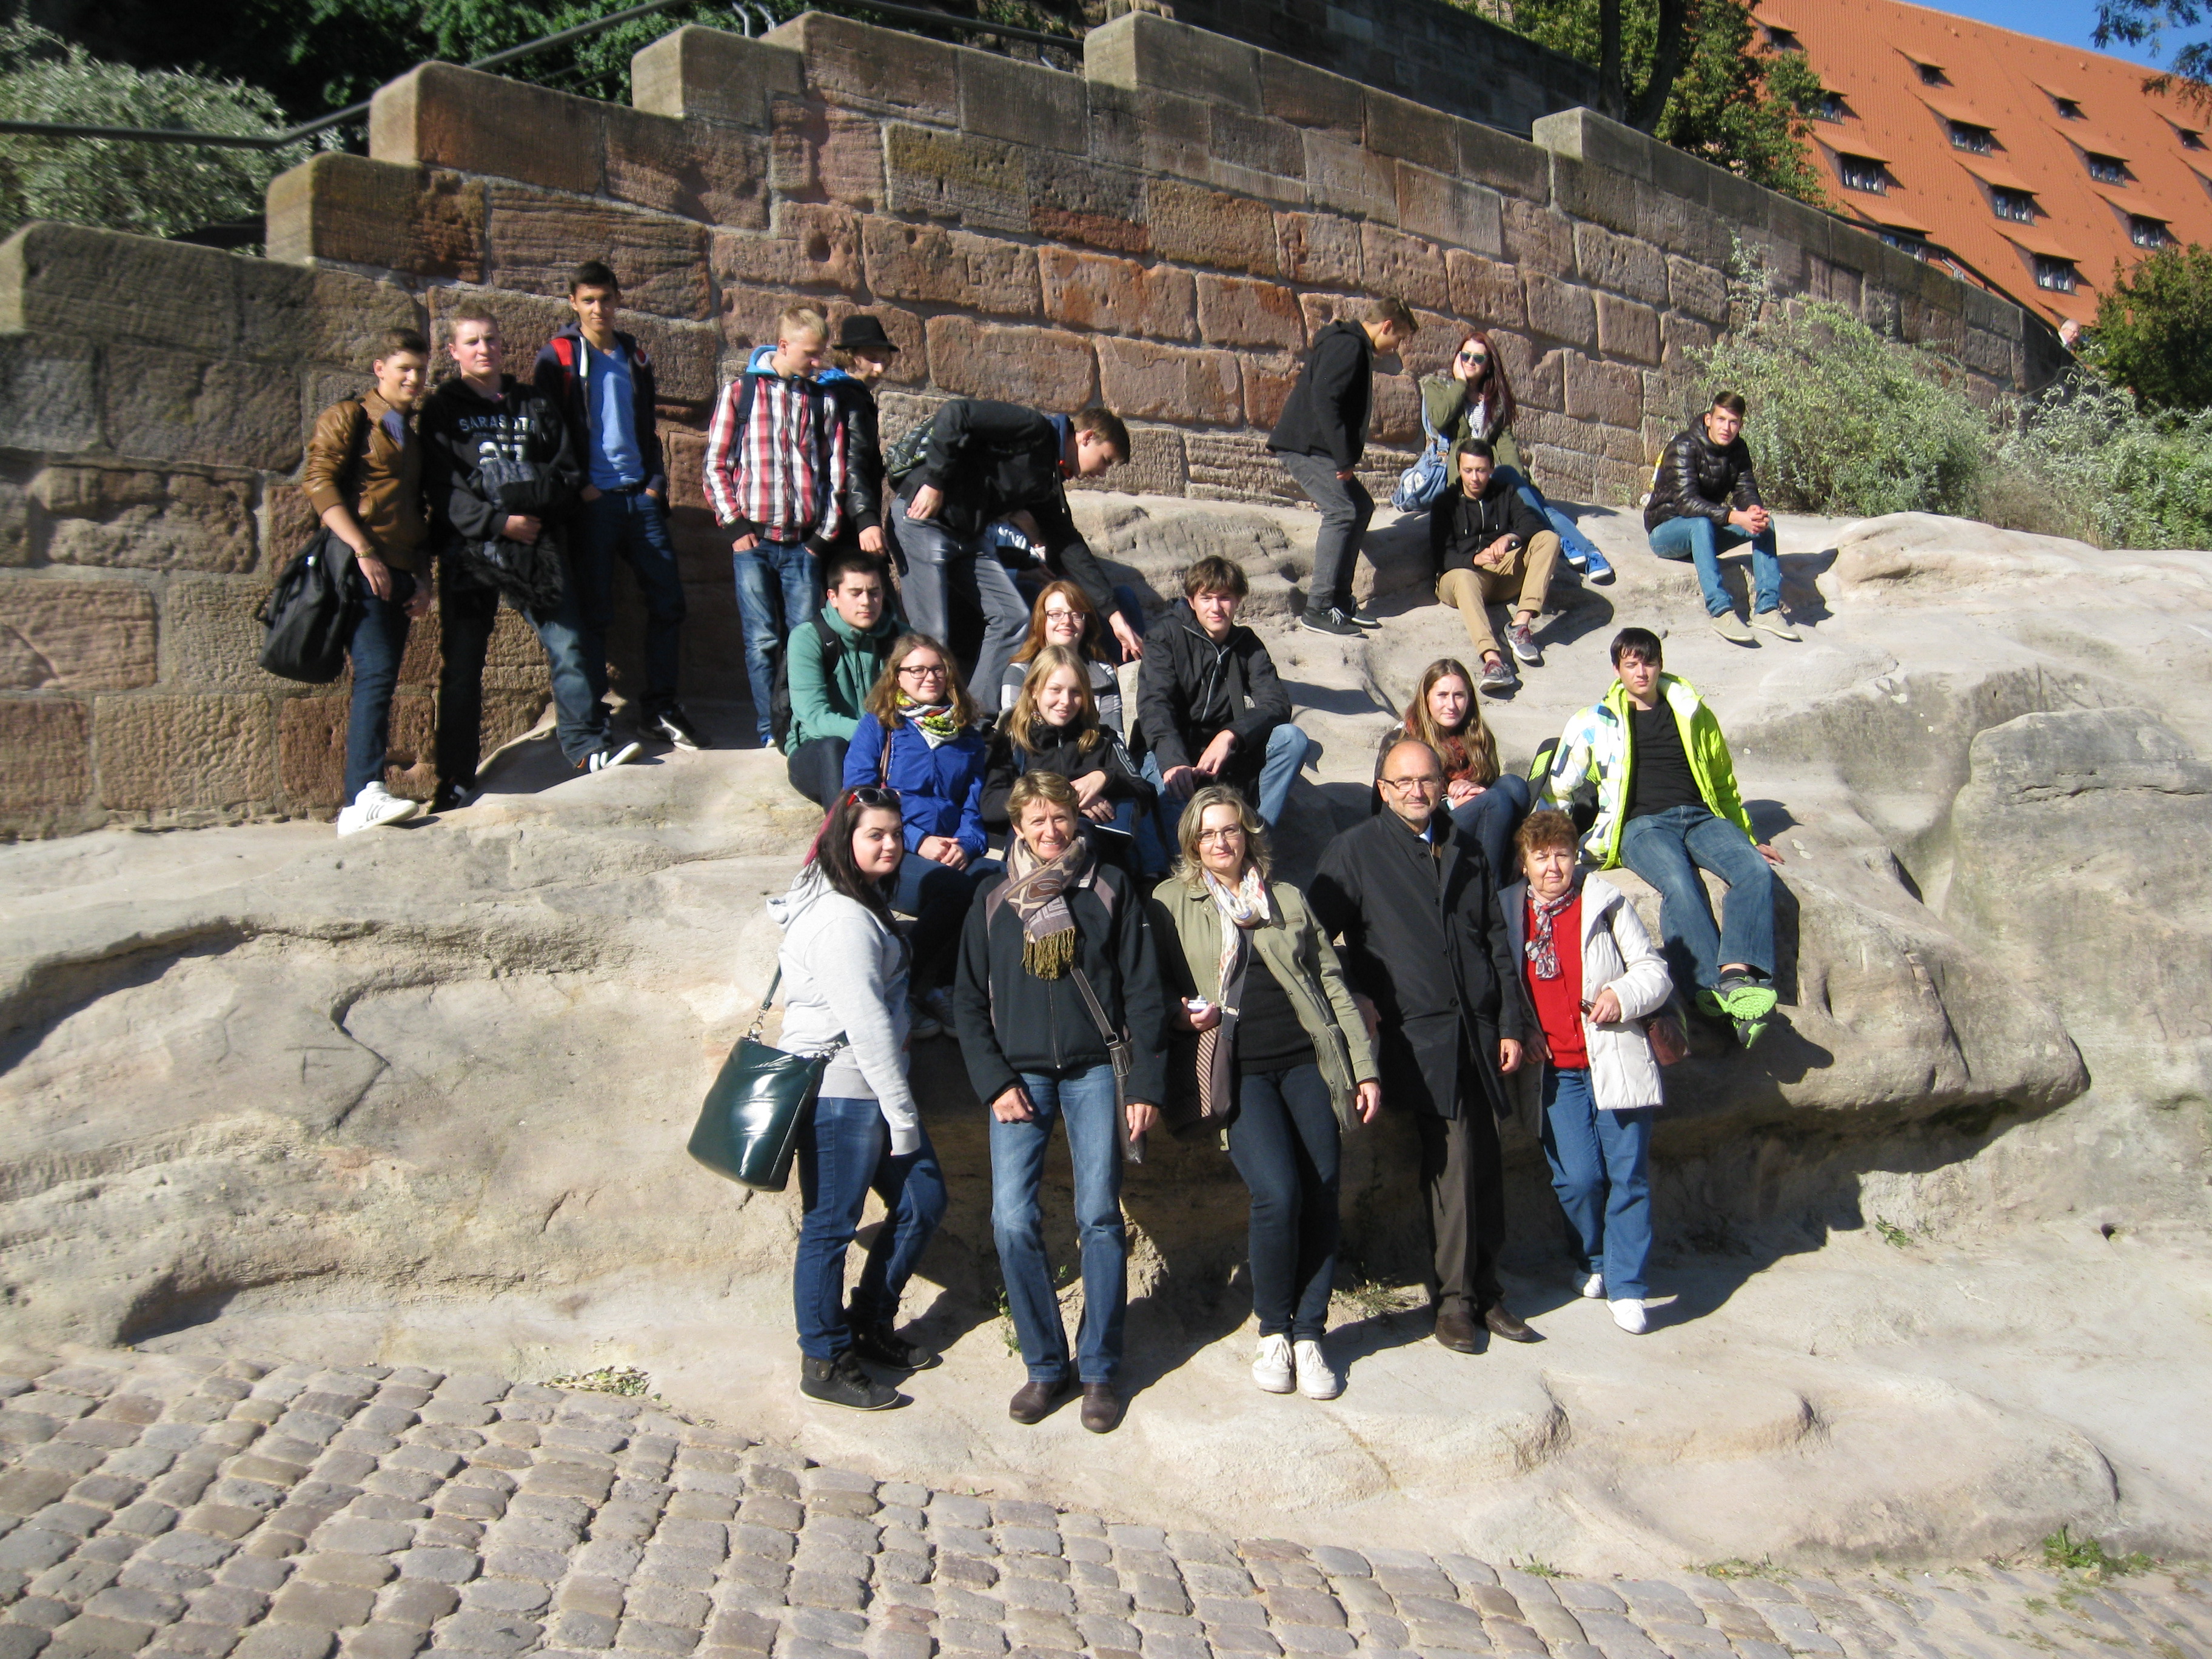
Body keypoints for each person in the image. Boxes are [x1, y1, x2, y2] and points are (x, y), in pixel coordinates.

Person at [951, 771, 1165, 1435]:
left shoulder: (1109, 886)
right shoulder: (991, 898)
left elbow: (1144, 993)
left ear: (1078, 820)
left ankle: (1099, 1367)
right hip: (1018, 1077)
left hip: (1095, 1070)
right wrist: (993, 1081)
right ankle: (1046, 1365)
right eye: (1037, 820)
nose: (1051, 831)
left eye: (1061, 818)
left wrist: (1146, 1084)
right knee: (1012, 1219)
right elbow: (968, 1000)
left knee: (1099, 1216)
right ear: (1018, 827)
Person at [1150, 787, 1381, 1400]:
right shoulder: (1171, 902)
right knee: (1278, 1193)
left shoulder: (1287, 899)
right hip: (1239, 1070)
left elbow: (1331, 984)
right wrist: (1179, 1015)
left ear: (1248, 834)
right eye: (1207, 834)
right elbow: (1155, 987)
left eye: (1230, 830)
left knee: (1323, 1190)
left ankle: (1310, 1333)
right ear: (1192, 844)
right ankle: (1274, 1329)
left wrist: (1364, 1069)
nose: (1220, 842)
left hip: (1307, 1061)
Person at [1308, 738, 1534, 1354]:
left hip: (1477, 1031)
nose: (1416, 791)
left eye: (1427, 779)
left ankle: (1486, 1292)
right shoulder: (1355, 851)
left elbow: (1494, 939)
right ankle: (1455, 1302)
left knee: (1485, 1161)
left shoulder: (1465, 846)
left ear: (1443, 784)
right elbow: (1313, 938)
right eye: (1403, 781)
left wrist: (1510, 1023)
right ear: (1382, 790)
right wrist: (1357, 991)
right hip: (1418, 1034)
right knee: (1454, 1162)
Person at [768, 785, 949, 1409]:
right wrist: (901, 1116)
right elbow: (868, 1029)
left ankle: (869, 1323)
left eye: (896, 833)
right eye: (876, 834)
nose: (891, 845)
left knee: (922, 1200)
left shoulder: (858, 900)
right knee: (830, 1227)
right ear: (845, 840)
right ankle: (823, 1359)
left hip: (866, 1089)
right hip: (840, 1093)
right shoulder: (842, 920)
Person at [421, 299, 638, 806]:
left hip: (534, 546)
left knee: (569, 644)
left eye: (491, 339)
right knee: (462, 667)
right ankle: (455, 777)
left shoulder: (533, 404)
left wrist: (519, 499)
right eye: (472, 341)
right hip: (471, 552)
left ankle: (585, 746)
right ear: (453, 351)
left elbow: (566, 475)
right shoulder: (443, 409)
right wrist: (501, 519)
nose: (484, 349)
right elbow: (443, 488)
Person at [1538, 627, 1785, 1047]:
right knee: (1679, 883)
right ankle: (1707, 990)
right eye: (1631, 664)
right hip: (1642, 825)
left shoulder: (1692, 711)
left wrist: (1746, 834)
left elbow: (1722, 780)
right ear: (1617, 669)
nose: (1642, 672)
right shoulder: (1595, 722)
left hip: (1700, 816)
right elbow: (1559, 788)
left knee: (1754, 870)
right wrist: (1550, 850)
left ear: (1660, 665)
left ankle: (1735, 977)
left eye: (1648, 662)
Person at [1500, 809, 1671, 1336]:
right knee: (1578, 1179)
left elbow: (1653, 971)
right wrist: (1521, 1027)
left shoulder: (1605, 901)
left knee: (1628, 1176)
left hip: (1615, 1058)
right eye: (1541, 856)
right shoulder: (1506, 911)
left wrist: (1621, 994)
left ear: (1576, 857)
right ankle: (1594, 1259)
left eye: (1563, 854)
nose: (1553, 867)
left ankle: (1628, 1286)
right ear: (1524, 863)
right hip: (1553, 1071)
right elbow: (1501, 983)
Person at [531, 260, 704, 753]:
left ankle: (660, 710)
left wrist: (655, 483)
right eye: (588, 300)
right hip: (593, 504)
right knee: (595, 614)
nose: (598, 309)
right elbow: (548, 431)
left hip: (640, 498)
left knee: (669, 603)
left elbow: (646, 424)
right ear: (573, 303)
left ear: (617, 299)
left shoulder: (634, 355)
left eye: (605, 298)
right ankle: (594, 718)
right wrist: (581, 486)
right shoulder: (559, 356)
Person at [893, 400, 1133, 699]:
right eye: (1106, 460)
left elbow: (1068, 543)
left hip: (968, 535)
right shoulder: (1033, 429)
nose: (1102, 472)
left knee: (1013, 618)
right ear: (1086, 437)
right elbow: (956, 414)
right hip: (925, 518)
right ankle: (919, 717)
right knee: (932, 634)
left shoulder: (1045, 479)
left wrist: (1113, 614)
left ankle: (976, 716)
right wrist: (935, 481)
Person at [304, 327, 435, 836]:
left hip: (399, 569)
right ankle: (362, 796)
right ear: (379, 369)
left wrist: (423, 579)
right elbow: (319, 484)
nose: (413, 378)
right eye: (404, 368)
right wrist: (363, 551)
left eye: (420, 370)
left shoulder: (410, 434)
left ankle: (364, 792)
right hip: (361, 564)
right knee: (376, 674)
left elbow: (417, 510)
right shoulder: (350, 417)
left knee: (383, 677)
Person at [704, 306, 854, 748]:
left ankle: (803, 725)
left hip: (802, 545)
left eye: (821, 353)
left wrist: (822, 537)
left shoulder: (822, 402)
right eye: (810, 354)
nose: (818, 363)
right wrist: (735, 528)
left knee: (806, 639)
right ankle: (771, 728)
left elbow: (835, 474)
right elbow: (716, 464)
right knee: (762, 640)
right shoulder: (741, 394)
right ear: (784, 346)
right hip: (753, 541)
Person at [842, 634, 996, 1036]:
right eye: (917, 670)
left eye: (938, 669)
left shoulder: (966, 734)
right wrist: (916, 839)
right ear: (897, 676)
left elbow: (973, 803)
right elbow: (857, 796)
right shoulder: (881, 726)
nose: (930, 677)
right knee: (956, 891)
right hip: (894, 849)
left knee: (997, 884)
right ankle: (905, 984)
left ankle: (944, 987)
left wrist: (968, 845)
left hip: (952, 847)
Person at [1269, 296, 1416, 638]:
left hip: (1319, 447)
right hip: (1306, 446)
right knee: (1341, 511)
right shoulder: (1348, 345)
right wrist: (1343, 457)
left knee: (1360, 506)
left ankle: (1339, 600)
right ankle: (1318, 607)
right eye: (1399, 338)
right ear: (1387, 326)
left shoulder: (1355, 346)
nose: (1397, 347)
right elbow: (1325, 399)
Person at [1420, 329, 1612, 583]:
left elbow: (1506, 445)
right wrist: (1461, 383)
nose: (1470, 362)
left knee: (1529, 495)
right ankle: (1569, 543)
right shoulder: (1438, 386)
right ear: (1457, 357)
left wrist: (1521, 483)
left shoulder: (1494, 399)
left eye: (1478, 358)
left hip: (1496, 474)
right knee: (1535, 502)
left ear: (1489, 364)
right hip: (1466, 475)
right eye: (1465, 356)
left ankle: (1589, 552)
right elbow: (1439, 418)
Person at [1136, 555, 1310, 830]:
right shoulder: (1165, 636)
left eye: (1225, 598)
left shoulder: (1246, 643)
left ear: (1239, 600)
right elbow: (1155, 705)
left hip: (1225, 753)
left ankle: (1256, 836)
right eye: (1206, 598)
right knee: (1176, 808)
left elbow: (1276, 703)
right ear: (1191, 601)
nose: (1216, 608)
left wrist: (1230, 735)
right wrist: (1174, 763)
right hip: (1174, 750)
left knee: (1292, 738)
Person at [1645, 390, 1798, 646]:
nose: (1726, 428)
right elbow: (1686, 503)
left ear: (1740, 425)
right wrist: (1733, 517)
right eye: (1721, 419)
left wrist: (1753, 511)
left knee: (1765, 525)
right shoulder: (1684, 446)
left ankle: (1767, 609)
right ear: (1709, 419)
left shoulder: (1739, 449)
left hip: (1706, 532)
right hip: (1667, 532)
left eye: (1733, 422)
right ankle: (1721, 611)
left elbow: (1745, 489)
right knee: (1700, 524)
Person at [980, 644, 1155, 863]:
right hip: (1033, 856)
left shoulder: (1101, 738)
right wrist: (1067, 799)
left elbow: (1144, 792)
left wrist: (1104, 778)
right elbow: (989, 805)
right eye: (1055, 690)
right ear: (1034, 690)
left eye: (1076, 692)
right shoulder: (1011, 739)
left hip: (1096, 858)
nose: (1066, 701)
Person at [1372, 659, 1531, 881]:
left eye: (1459, 695)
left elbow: (1487, 787)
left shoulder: (1477, 736)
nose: (1452, 705)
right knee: (1496, 801)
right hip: (1423, 829)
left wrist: (1470, 787)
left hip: (1470, 820)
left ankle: (1507, 875)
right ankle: (1488, 890)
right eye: (1442, 695)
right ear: (1426, 698)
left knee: (1514, 786)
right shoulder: (1404, 741)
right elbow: (1393, 810)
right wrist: (1451, 803)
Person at [1429, 440, 1560, 696]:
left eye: (1481, 470)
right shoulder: (1445, 502)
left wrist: (1509, 538)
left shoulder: (1505, 493)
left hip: (1500, 574)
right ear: (1459, 469)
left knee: (1549, 538)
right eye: (1468, 470)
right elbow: (1442, 556)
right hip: (1461, 579)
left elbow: (1532, 523)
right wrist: (1475, 559)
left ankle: (1520, 625)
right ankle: (1493, 661)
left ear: (1491, 469)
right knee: (1464, 578)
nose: (1475, 478)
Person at [785, 548, 904, 807]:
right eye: (855, 593)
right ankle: (841, 827)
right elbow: (814, 718)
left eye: (874, 592)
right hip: (822, 751)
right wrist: (873, 735)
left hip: (886, 748)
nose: (866, 602)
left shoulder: (902, 638)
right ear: (833, 597)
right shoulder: (808, 637)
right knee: (833, 748)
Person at [997, 580, 1126, 734]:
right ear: (1041, 620)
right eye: (1056, 614)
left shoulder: (1104, 675)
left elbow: (1115, 737)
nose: (1067, 621)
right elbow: (1012, 734)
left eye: (1076, 615)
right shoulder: (1019, 672)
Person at [823, 314, 898, 562]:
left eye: (884, 361)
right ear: (849, 356)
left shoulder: (829, 391)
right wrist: (866, 519)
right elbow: (851, 462)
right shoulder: (850, 397)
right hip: (846, 522)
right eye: (873, 359)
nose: (879, 369)